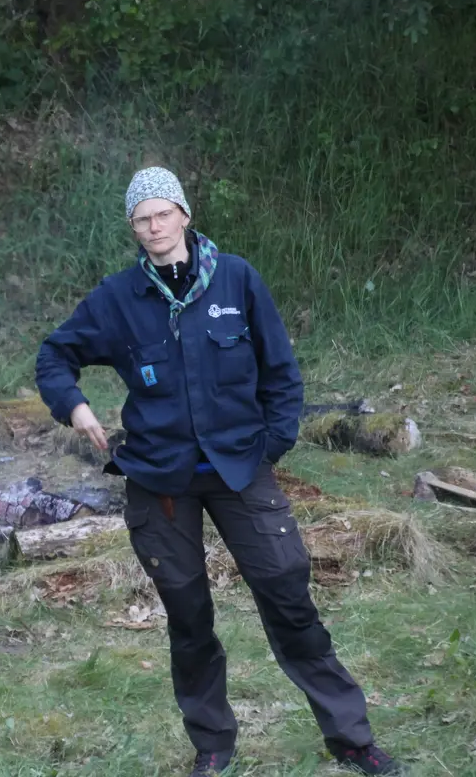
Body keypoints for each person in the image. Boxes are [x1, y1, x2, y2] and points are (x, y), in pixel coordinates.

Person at [34, 168, 405, 777]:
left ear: (184, 214)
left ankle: (351, 737)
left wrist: (272, 447)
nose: (154, 227)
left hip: (240, 469)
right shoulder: (118, 298)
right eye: (141, 219)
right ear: (133, 227)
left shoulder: (236, 278)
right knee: (188, 615)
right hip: (159, 479)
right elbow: (55, 353)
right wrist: (74, 407)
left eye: (162, 213)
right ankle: (212, 744)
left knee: (288, 595)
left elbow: (281, 372)